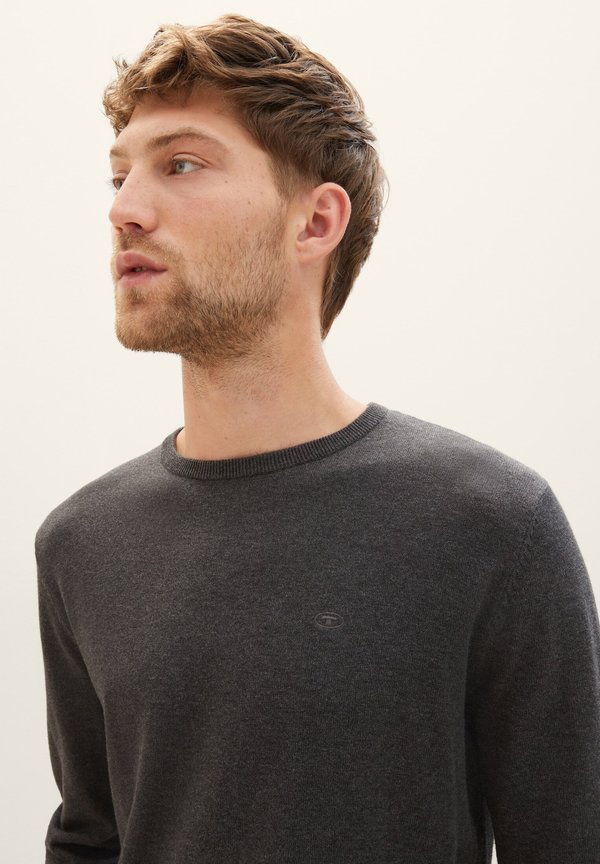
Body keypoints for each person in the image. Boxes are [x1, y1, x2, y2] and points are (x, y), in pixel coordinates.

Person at [35, 14, 600, 864]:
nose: (124, 210)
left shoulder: (493, 523)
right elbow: (91, 840)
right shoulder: (80, 543)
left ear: (315, 222)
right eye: (119, 176)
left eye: (180, 164)